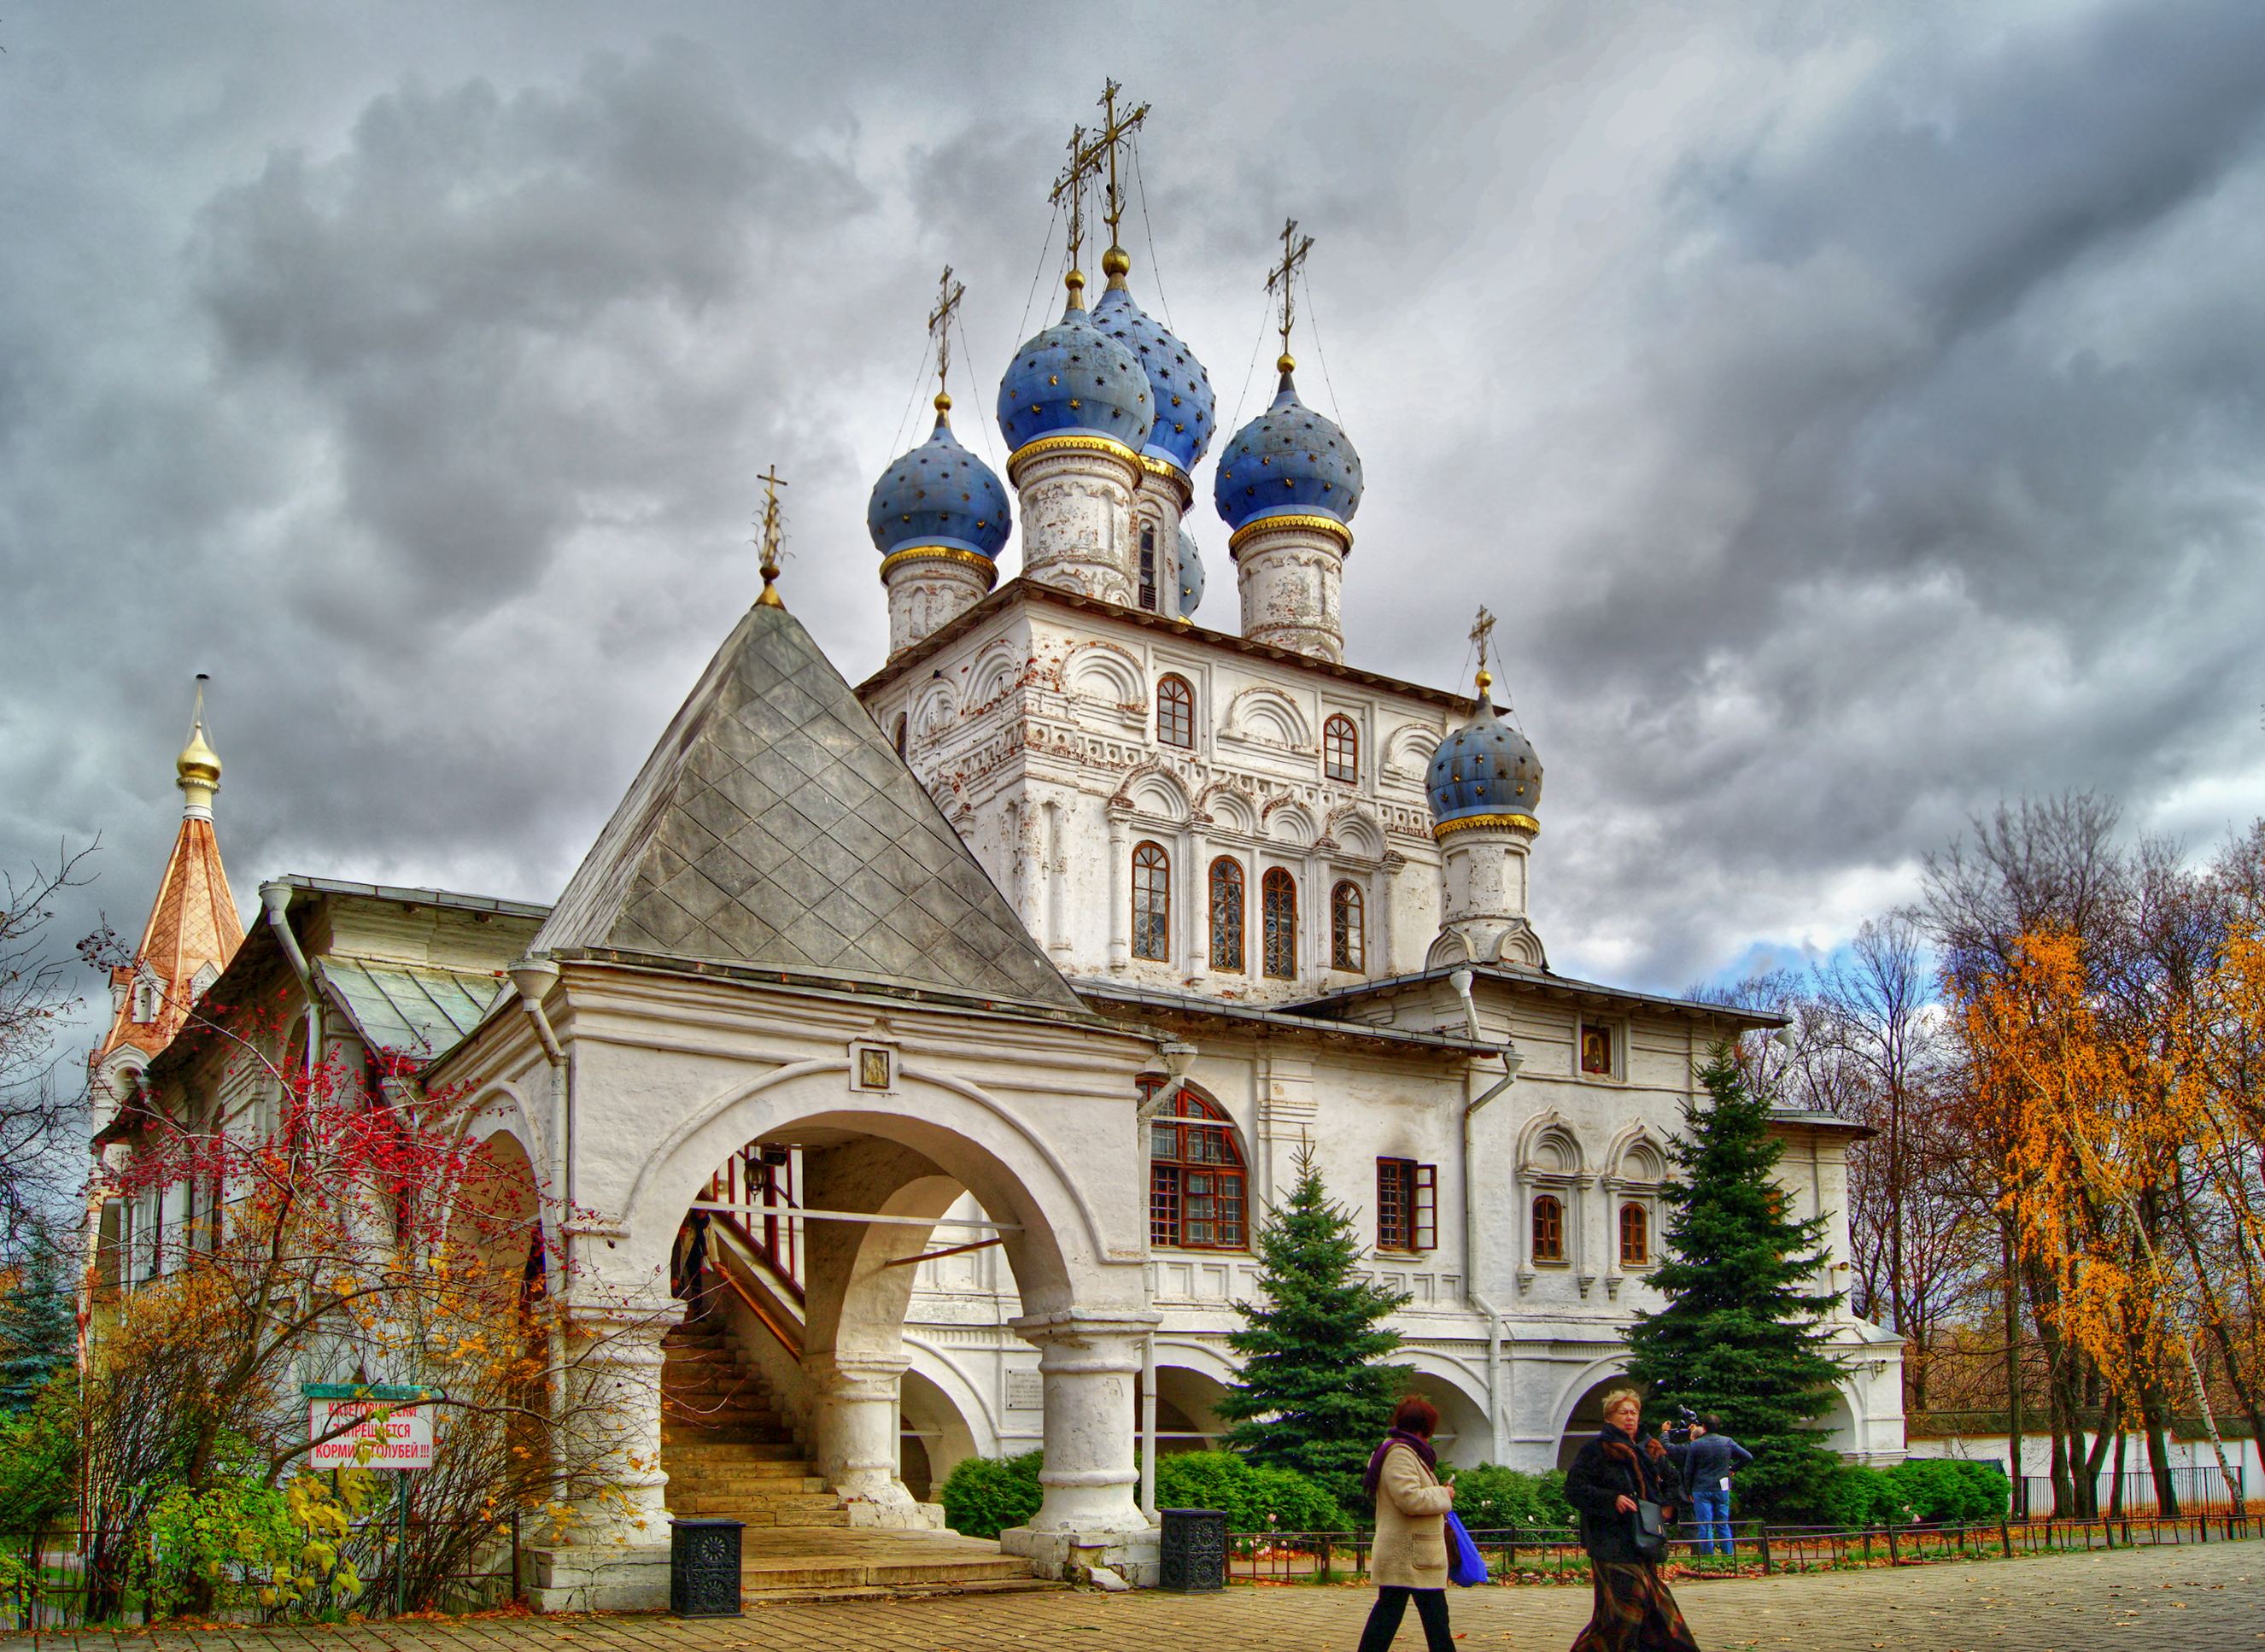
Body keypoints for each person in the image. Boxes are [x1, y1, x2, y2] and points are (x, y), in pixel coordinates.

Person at [1563, 1386, 1700, 1652]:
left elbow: (1671, 1481)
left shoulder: (1649, 1449)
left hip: (1643, 1541)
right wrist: (1611, 1499)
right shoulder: (1596, 1450)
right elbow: (1575, 1489)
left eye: (1634, 1412)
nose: (1630, 1417)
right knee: (1624, 1613)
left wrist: (1667, 1508)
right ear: (1609, 1417)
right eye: (1623, 1412)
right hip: (1611, 1543)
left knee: (1654, 1608)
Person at [1355, 1394, 1457, 1652]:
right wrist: (1444, 1495)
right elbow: (1409, 1499)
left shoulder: (1407, 1451)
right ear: (1425, 1427)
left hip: (1412, 1554)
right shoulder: (1399, 1453)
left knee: (1391, 1617)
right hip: (1410, 1555)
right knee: (1433, 1622)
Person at [1670, 1415, 1752, 1557]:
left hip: (1701, 1488)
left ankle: (1708, 1558)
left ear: (1704, 1427)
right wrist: (1732, 1469)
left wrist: (1689, 1490)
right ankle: (1729, 1556)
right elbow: (1747, 1457)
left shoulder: (1696, 1444)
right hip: (1721, 1488)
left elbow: (1689, 1470)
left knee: (1705, 1524)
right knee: (1723, 1523)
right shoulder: (1727, 1442)